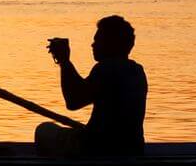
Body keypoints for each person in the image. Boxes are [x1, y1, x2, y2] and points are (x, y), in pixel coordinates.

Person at [37, 14, 147, 157]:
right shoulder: (137, 71)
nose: (93, 45)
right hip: (133, 148)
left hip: (97, 147)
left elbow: (73, 101)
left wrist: (64, 61)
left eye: (97, 40)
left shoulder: (105, 69)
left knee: (43, 130)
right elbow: (82, 92)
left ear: (110, 43)